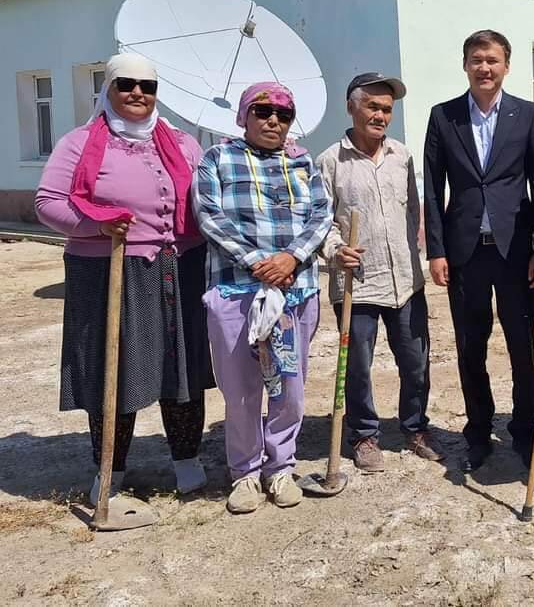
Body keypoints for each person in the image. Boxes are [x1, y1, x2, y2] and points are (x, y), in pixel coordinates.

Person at [35, 52, 213, 502]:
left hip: (180, 265)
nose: (137, 93)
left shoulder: (182, 143)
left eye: (147, 86)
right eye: (126, 84)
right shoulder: (79, 143)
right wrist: (97, 226)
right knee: (114, 368)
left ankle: (187, 459)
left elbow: (206, 201)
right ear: (108, 89)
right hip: (109, 267)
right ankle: (110, 469)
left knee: (182, 364)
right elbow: (48, 203)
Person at [194, 82, 332, 514]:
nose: (274, 120)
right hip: (237, 289)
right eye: (263, 111)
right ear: (244, 116)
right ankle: (245, 473)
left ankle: (281, 467)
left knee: (289, 386)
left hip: (295, 290)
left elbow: (321, 214)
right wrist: (257, 262)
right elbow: (209, 215)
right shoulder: (217, 158)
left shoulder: (303, 162)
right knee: (240, 389)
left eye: (284, 114)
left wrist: (291, 257)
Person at [424, 30, 534, 473]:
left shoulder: (527, 114)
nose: (484, 68)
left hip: (515, 252)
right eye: (476, 59)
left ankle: (525, 431)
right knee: (470, 346)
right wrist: (436, 250)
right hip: (465, 253)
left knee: (521, 346)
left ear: (506, 66)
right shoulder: (444, 116)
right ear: (465, 65)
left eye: (492, 60)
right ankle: (477, 433)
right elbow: (432, 187)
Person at [317, 72, 444, 472]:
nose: (380, 116)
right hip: (357, 284)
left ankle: (415, 427)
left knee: (416, 362)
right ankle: (364, 435)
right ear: (350, 107)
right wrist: (335, 250)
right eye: (372, 106)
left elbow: (413, 212)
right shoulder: (330, 161)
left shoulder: (401, 156)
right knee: (357, 366)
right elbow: (320, 222)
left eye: (387, 109)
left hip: (404, 281)